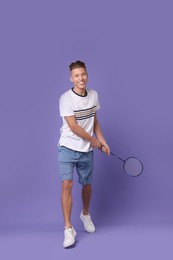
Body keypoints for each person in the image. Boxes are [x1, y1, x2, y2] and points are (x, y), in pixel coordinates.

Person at [57, 60, 110, 248]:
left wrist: (102, 141)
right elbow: (73, 126)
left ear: (87, 75)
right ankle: (68, 228)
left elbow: (94, 120)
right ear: (71, 78)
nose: (81, 78)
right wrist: (94, 141)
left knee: (86, 185)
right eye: (77, 75)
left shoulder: (94, 95)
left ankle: (85, 214)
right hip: (68, 147)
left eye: (84, 74)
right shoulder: (65, 98)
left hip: (86, 150)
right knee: (67, 184)